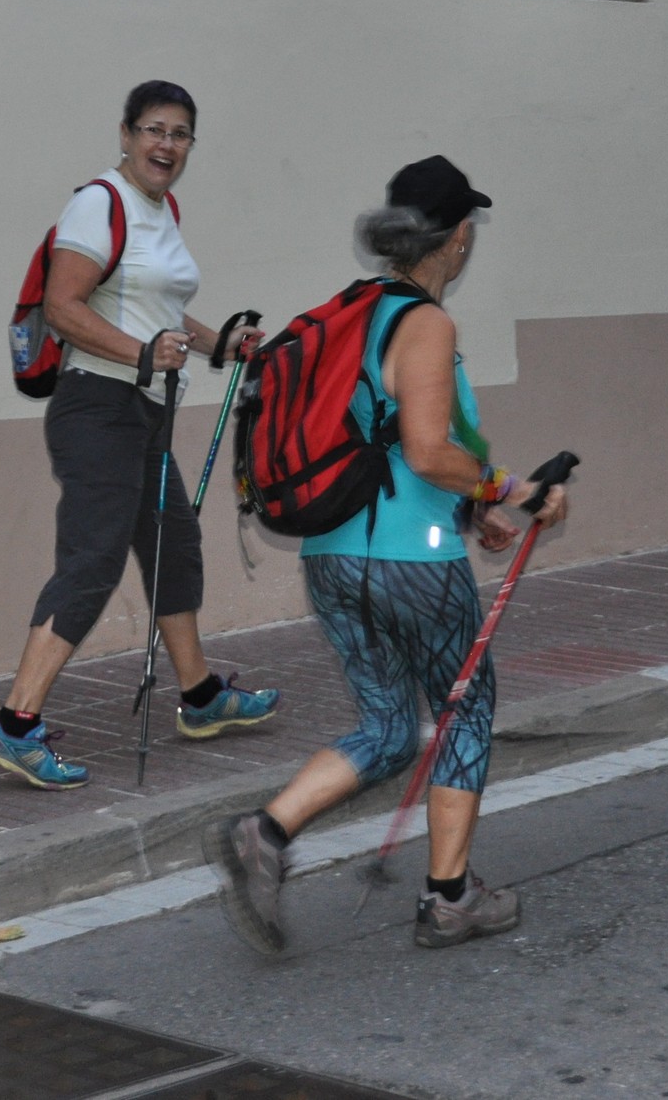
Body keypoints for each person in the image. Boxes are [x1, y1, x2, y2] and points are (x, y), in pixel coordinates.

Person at [204, 155, 568, 951]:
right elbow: (430, 450)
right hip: (412, 561)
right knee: (465, 708)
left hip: (333, 555)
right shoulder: (426, 324)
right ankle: (449, 899)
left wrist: (474, 508)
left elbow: (381, 441)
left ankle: (264, 831)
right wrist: (515, 489)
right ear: (458, 236)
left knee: (390, 726)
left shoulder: (351, 312)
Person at [0, 80, 278, 789]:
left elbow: (159, 311)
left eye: (180, 134)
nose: (166, 145)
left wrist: (220, 344)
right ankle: (15, 725)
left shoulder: (160, 209)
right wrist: (143, 354)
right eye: (153, 130)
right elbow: (63, 306)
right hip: (97, 409)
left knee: (174, 544)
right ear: (125, 134)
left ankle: (200, 697)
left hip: (141, 414)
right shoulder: (100, 203)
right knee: (93, 561)